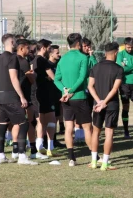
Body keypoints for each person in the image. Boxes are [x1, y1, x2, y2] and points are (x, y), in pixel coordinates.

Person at [0, 33, 37, 165]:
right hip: (11, 96)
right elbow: (14, 78)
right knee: (23, 123)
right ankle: (22, 156)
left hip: (0, 97)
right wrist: (22, 97)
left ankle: (0, 155)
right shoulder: (12, 58)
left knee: (2, 126)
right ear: (12, 43)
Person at [54, 33, 93, 167]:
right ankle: (95, 156)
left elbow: (56, 79)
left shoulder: (62, 59)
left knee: (68, 127)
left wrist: (64, 90)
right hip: (79, 97)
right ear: (78, 43)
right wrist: (70, 91)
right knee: (88, 128)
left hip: (66, 99)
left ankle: (72, 158)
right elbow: (82, 78)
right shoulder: (83, 57)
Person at [88, 42, 123, 171]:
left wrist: (99, 101)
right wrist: (105, 102)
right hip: (111, 105)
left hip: (97, 105)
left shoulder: (96, 67)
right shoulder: (118, 69)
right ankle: (105, 163)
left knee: (96, 132)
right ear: (115, 53)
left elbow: (90, 86)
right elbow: (115, 89)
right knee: (109, 133)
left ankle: (93, 161)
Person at [31, 39, 59, 157]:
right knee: (51, 119)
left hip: (36, 93)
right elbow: (53, 77)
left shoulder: (33, 60)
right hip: (45, 94)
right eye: (49, 48)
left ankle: (40, 146)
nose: (49, 50)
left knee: (41, 121)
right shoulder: (43, 60)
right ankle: (49, 147)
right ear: (43, 48)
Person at [74, 38, 98, 144]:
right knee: (79, 112)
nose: (87, 48)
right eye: (85, 46)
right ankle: (78, 135)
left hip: (90, 88)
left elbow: (96, 68)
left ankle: (87, 135)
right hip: (80, 88)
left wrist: (92, 56)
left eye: (89, 46)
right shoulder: (79, 58)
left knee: (88, 111)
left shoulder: (90, 57)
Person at [47, 45, 65, 148]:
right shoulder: (47, 65)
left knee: (57, 118)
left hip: (58, 94)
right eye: (57, 53)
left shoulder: (59, 63)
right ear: (51, 54)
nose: (59, 54)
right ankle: (47, 141)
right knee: (50, 119)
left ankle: (53, 140)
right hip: (49, 95)